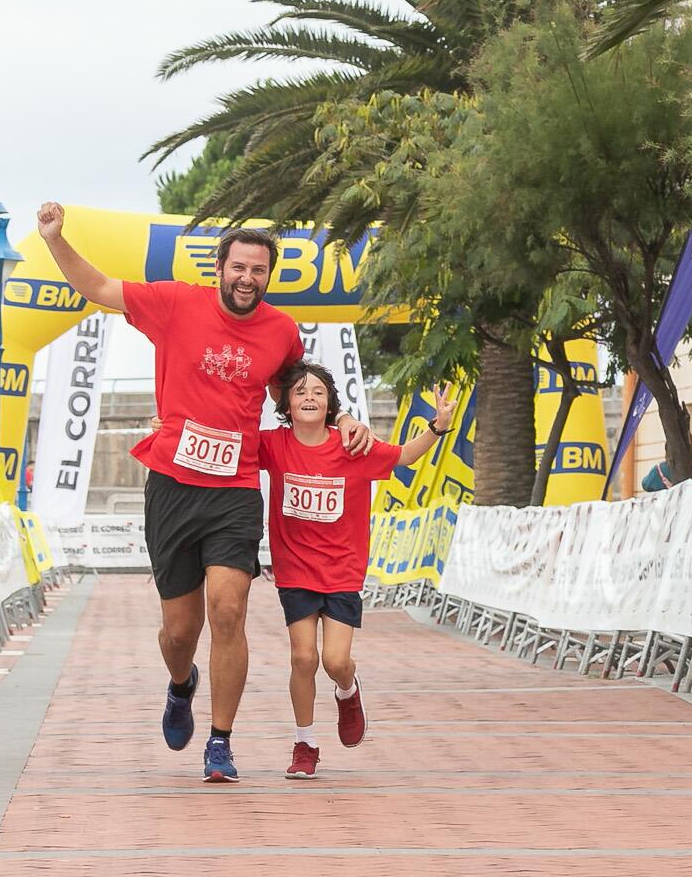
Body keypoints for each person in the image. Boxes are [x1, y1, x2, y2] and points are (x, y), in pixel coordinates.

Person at [35, 203, 368, 783]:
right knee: (180, 631)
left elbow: (301, 394)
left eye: (258, 271)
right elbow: (96, 286)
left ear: (269, 275)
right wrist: (55, 239)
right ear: (220, 268)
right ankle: (181, 683)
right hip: (172, 486)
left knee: (230, 610)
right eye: (238, 267)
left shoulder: (280, 333)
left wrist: (340, 423)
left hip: (235, 491)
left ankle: (221, 742)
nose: (247, 279)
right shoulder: (174, 304)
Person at [259, 362, 446, 780]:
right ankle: (305, 743)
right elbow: (231, 444)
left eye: (319, 393)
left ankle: (348, 691)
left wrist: (438, 427)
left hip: (342, 570)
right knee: (303, 657)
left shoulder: (353, 445)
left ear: (330, 405)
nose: (309, 397)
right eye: (301, 391)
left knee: (335, 660)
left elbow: (403, 456)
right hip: (295, 570)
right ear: (286, 403)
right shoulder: (273, 444)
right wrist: (169, 425)